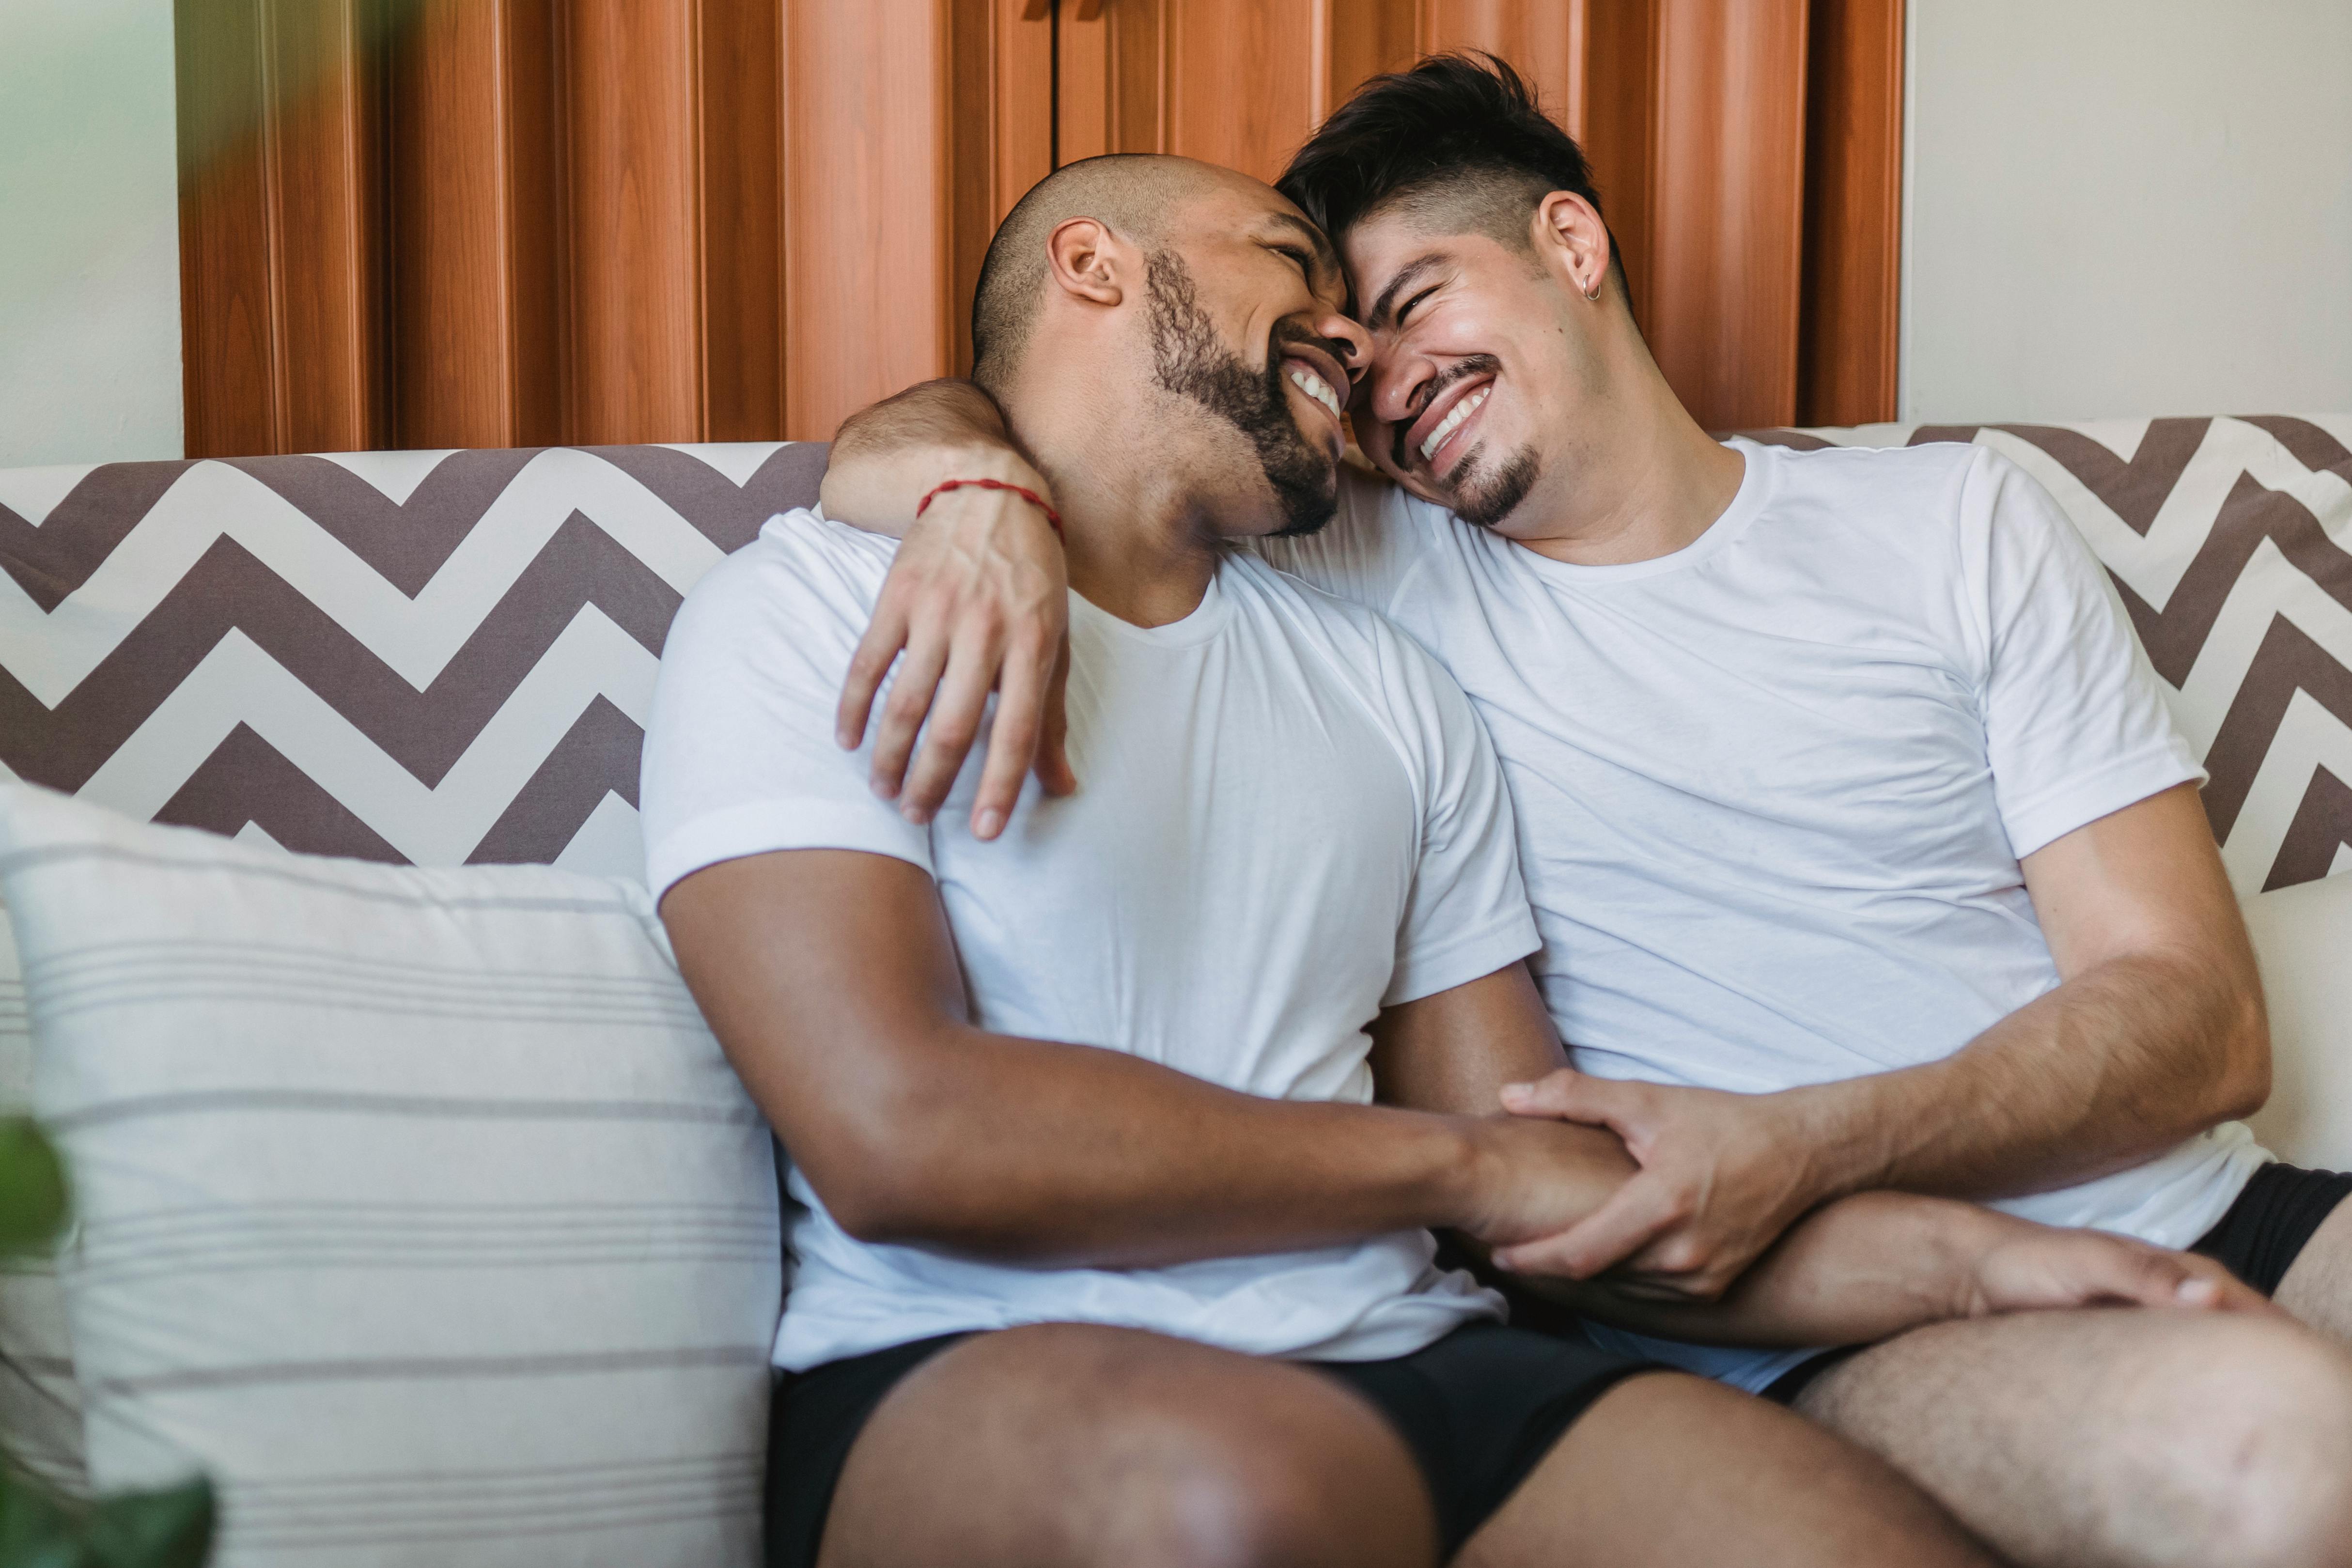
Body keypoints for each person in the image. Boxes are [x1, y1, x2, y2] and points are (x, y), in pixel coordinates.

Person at [813, 55, 2352, 1568]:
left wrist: (1814, 1138)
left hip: (2223, 1203)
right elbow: (1034, 414)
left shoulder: (1952, 518)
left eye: (1416, 302)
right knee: (2287, 1458)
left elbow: (2205, 1022)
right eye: (1348, 359)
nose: (1384, 385)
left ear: (1570, 240)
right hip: (1815, 1324)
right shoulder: (1353, 570)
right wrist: (976, 496)